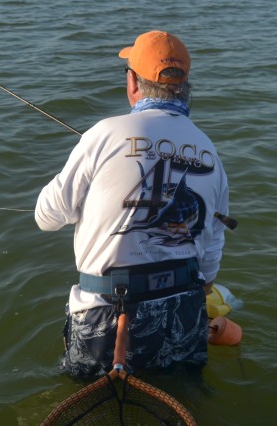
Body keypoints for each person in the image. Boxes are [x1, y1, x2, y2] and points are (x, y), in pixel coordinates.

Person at [35, 30, 230, 377]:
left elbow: (47, 216)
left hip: (103, 316)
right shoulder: (209, 150)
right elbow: (213, 247)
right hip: (183, 312)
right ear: (185, 86)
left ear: (133, 83)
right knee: (178, 394)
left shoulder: (103, 133)